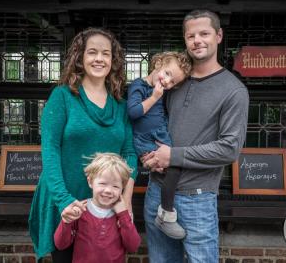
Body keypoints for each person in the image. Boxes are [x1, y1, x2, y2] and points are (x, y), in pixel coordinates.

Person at [142, 10, 249, 263]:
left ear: (219, 35)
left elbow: (229, 149)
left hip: (197, 199)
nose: (197, 40)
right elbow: (152, 122)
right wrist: (147, 154)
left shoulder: (233, 90)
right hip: (156, 190)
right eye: (191, 35)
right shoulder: (174, 82)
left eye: (204, 33)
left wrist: (172, 156)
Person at [28, 27, 138, 262]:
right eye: (92, 52)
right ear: (80, 57)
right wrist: (64, 200)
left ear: (113, 60)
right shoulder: (62, 97)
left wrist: (125, 199)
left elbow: (129, 152)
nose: (99, 58)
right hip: (68, 202)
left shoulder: (120, 105)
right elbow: (50, 150)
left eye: (106, 53)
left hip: (107, 203)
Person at [127, 51, 191, 239]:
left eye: (173, 82)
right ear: (158, 64)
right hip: (146, 139)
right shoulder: (139, 85)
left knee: (175, 166)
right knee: (171, 168)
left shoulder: (161, 90)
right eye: (168, 74)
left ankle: (166, 212)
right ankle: (166, 215)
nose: (167, 82)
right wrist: (155, 96)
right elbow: (133, 112)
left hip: (160, 136)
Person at [54, 153, 141, 263]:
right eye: (103, 184)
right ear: (90, 181)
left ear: (122, 187)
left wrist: (123, 215)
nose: (108, 190)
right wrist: (66, 221)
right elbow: (60, 244)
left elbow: (133, 246)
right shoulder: (80, 210)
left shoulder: (122, 214)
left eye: (115, 186)